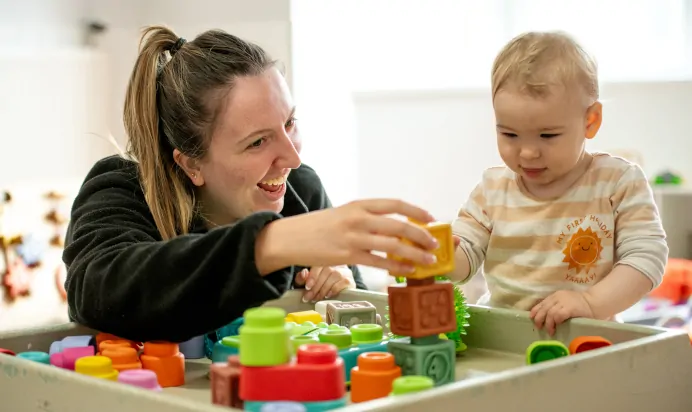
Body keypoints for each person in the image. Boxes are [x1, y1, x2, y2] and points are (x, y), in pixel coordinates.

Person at [63, 26, 441, 343]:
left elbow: (360, 329)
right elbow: (100, 289)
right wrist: (272, 244)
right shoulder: (123, 189)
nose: (292, 158)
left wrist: (344, 287)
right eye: (257, 142)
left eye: (290, 123)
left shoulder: (301, 190)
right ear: (191, 164)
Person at [449, 31, 668, 335]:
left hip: (588, 338)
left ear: (590, 121)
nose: (527, 152)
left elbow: (647, 259)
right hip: (504, 336)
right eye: (509, 135)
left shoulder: (618, 182)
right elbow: (464, 260)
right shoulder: (492, 189)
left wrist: (590, 302)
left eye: (547, 135)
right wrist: (439, 256)